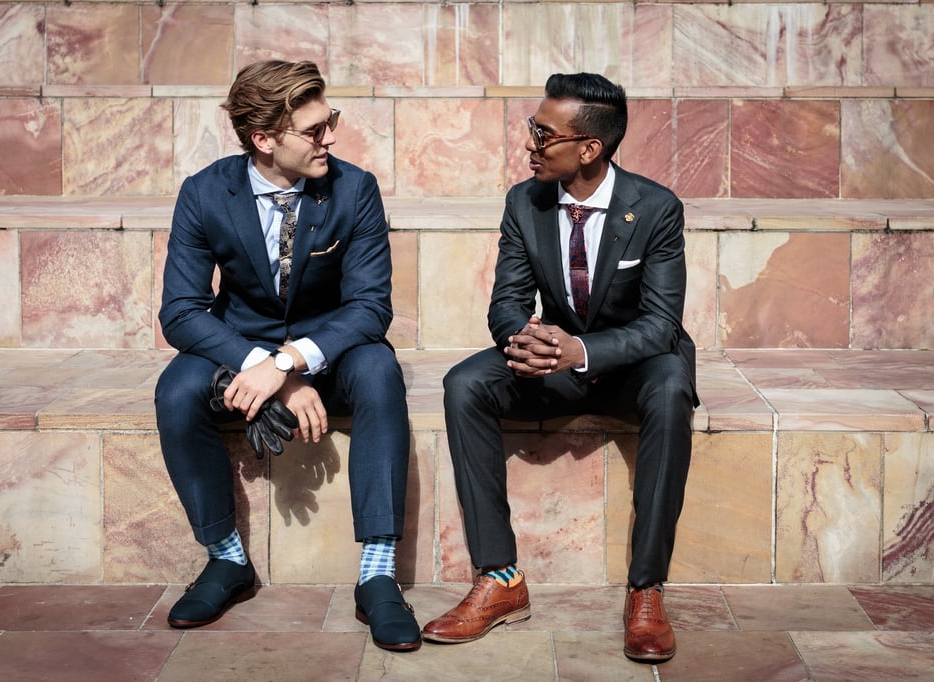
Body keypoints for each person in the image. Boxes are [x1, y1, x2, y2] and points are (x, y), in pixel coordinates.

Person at [420, 72, 698, 662]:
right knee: (465, 382)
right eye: (532, 129)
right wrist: (523, 339)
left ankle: (646, 589)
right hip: (555, 360)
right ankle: (499, 580)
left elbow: (660, 326)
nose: (530, 144)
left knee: (673, 383)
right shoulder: (525, 200)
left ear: (589, 148)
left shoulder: (654, 209)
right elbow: (506, 299)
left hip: (632, 365)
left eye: (543, 134)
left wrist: (583, 351)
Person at [155, 59, 420, 652]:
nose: (331, 137)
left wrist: (288, 365)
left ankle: (377, 574)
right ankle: (225, 560)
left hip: (330, 347)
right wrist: (258, 363)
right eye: (315, 129)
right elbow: (181, 311)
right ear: (264, 139)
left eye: (331, 122)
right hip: (240, 343)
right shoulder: (205, 192)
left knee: (380, 371)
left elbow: (371, 307)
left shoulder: (355, 189)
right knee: (175, 392)